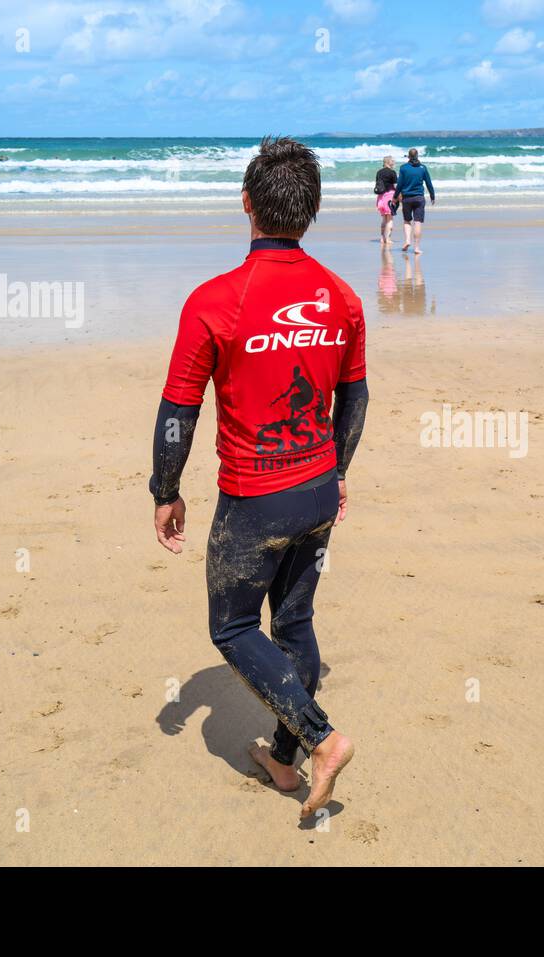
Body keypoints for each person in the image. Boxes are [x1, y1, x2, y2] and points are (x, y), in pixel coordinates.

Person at [149, 136, 368, 818]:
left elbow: (178, 410)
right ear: (313, 210)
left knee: (235, 626)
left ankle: (320, 738)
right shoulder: (341, 296)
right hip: (317, 489)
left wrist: (165, 489)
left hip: (255, 498)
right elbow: (355, 400)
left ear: (246, 204)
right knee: (295, 618)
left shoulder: (215, 300)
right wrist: (336, 473)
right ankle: (281, 757)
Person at [394, 147, 435, 254]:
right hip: (419, 198)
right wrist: (432, 196)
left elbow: (400, 185)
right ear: (417, 156)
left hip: (406, 199)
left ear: (408, 156)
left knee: (407, 221)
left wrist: (395, 196)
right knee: (417, 222)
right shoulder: (423, 168)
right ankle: (416, 248)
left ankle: (407, 240)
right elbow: (429, 183)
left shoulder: (403, 168)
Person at [373, 155, 397, 246]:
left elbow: (378, 184)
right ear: (388, 162)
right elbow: (395, 186)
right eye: (392, 161)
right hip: (389, 197)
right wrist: (399, 196)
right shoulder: (392, 172)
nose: (394, 162)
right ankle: (388, 238)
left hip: (380, 198)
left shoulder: (379, 172)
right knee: (390, 219)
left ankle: (382, 238)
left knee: (384, 219)